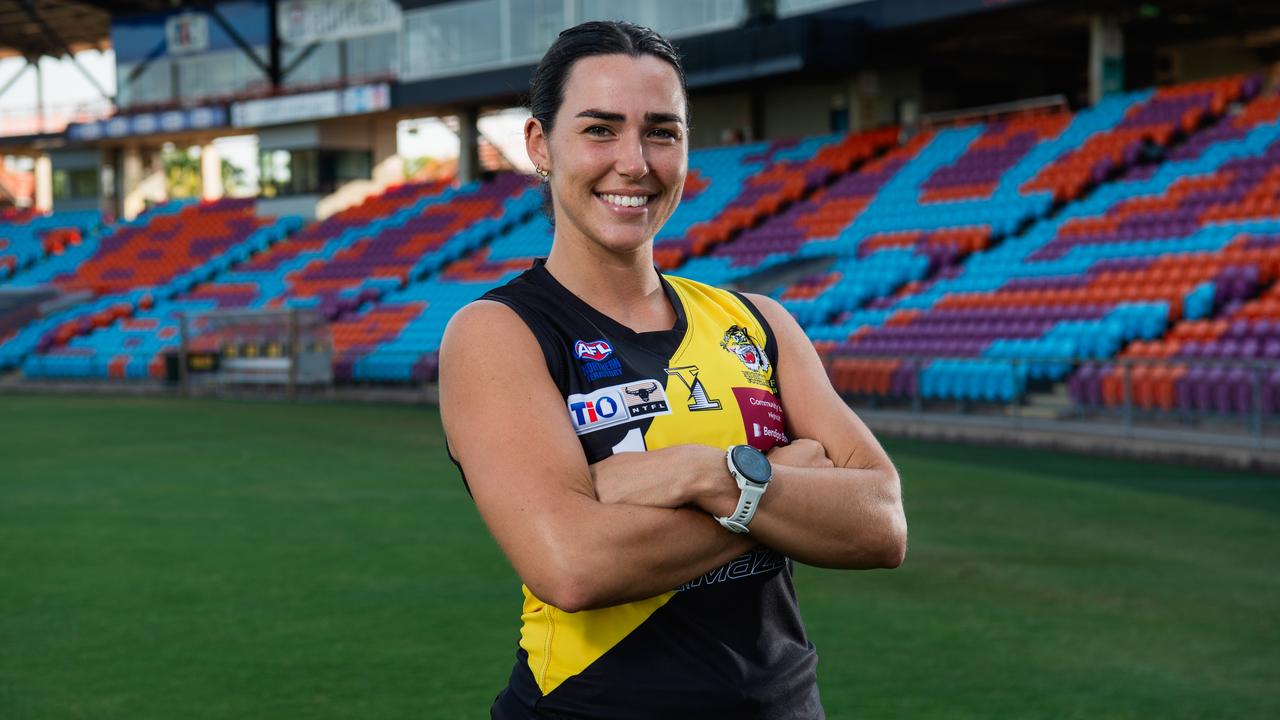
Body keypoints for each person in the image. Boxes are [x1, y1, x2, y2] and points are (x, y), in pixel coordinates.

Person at [439, 20, 906, 719]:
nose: (635, 162)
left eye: (662, 131)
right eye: (600, 129)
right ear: (540, 146)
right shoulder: (499, 333)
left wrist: (711, 476)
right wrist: (781, 481)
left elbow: (881, 523)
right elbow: (574, 563)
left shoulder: (759, 322)